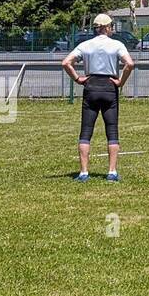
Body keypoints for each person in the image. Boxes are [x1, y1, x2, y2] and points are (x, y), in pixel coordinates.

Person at [61, 13, 135, 182]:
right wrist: (120, 81)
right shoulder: (117, 44)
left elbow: (66, 63)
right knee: (112, 130)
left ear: (95, 27)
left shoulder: (85, 45)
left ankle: (84, 172)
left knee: (86, 131)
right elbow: (129, 64)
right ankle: (112, 172)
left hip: (91, 87)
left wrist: (78, 79)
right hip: (110, 87)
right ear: (109, 27)